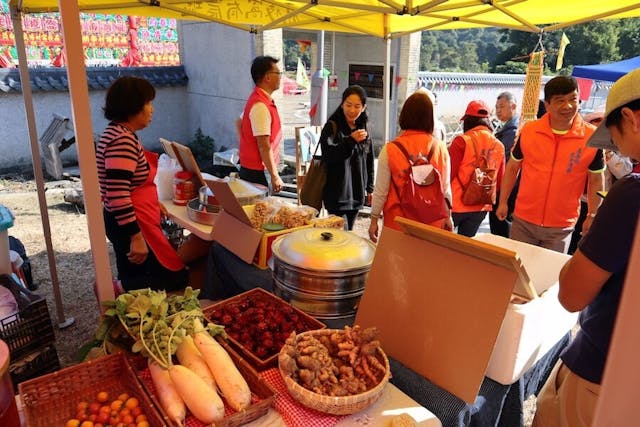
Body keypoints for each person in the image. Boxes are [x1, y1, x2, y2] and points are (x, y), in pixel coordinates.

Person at [532, 68, 640, 427]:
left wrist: (587, 242)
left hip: (601, 376)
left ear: (631, 119)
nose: (617, 150)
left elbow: (572, 295)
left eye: (615, 136)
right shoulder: (530, 133)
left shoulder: (631, 194)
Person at [97, 76, 188, 291]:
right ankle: (112, 289)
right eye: (148, 103)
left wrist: (154, 204)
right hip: (131, 223)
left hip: (125, 220)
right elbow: (118, 194)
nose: (152, 110)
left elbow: (131, 184)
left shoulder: (117, 132)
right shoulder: (122, 140)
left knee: (133, 271)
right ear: (133, 106)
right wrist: (136, 236)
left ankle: (122, 295)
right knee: (171, 278)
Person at [496, 76, 605, 253]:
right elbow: (512, 168)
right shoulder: (530, 131)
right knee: (516, 272)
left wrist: (592, 214)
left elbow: (596, 179)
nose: (568, 106)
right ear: (547, 105)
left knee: (547, 276)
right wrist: (503, 201)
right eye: (560, 101)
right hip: (523, 220)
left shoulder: (591, 137)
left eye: (573, 99)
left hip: (561, 227)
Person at [368, 91, 452, 242]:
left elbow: (381, 191)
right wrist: (448, 216)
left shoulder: (390, 150)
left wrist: (374, 219)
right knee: (425, 265)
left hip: (398, 225)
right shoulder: (440, 148)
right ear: (430, 117)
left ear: (404, 115)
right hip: (431, 224)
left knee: (397, 265)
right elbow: (445, 189)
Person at [320, 85, 374, 230]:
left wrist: (370, 188)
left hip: (356, 194)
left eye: (357, 106)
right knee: (335, 236)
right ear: (342, 104)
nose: (352, 110)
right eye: (348, 105)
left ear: (363, 108)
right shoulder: (332, 127)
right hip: (336, 195)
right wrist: (350, 141)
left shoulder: (364, 128)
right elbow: (329, 155)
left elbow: (369, 160)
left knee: (349, 233)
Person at [449, 100, 505, 237]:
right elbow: (499, 180)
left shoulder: (462, 141)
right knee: (466, 248)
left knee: (442, 245)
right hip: (481, 206)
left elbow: (449, 174)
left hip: (456, 204)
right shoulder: (499, 145)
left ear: (467, 120)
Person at [238, 55, 284, 193]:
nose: (280, 77)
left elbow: (239, 122)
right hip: (257, 172)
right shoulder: (260, 105)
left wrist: (246, 143)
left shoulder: (259, 99)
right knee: (260, 211)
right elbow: (264, 145)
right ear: (267, 77)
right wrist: (275, 176)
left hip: (252, 168)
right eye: (278, 73)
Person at [567, 111, 604, 254]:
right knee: (575, 236)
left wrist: (610, 156)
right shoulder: (579, 143)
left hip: (595, 202)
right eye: (595, 123)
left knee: (585, 240)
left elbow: (601, 179)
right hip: (578, 200)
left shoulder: (615, 148)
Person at [489, 91, 519, 237]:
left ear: (513, 106)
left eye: (501, 107)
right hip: (510, 185)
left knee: (501, 223)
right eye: (496, 107)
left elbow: (505, 161)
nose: (498, 111)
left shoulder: (513, 132)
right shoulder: (509, 128)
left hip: (507, 185)